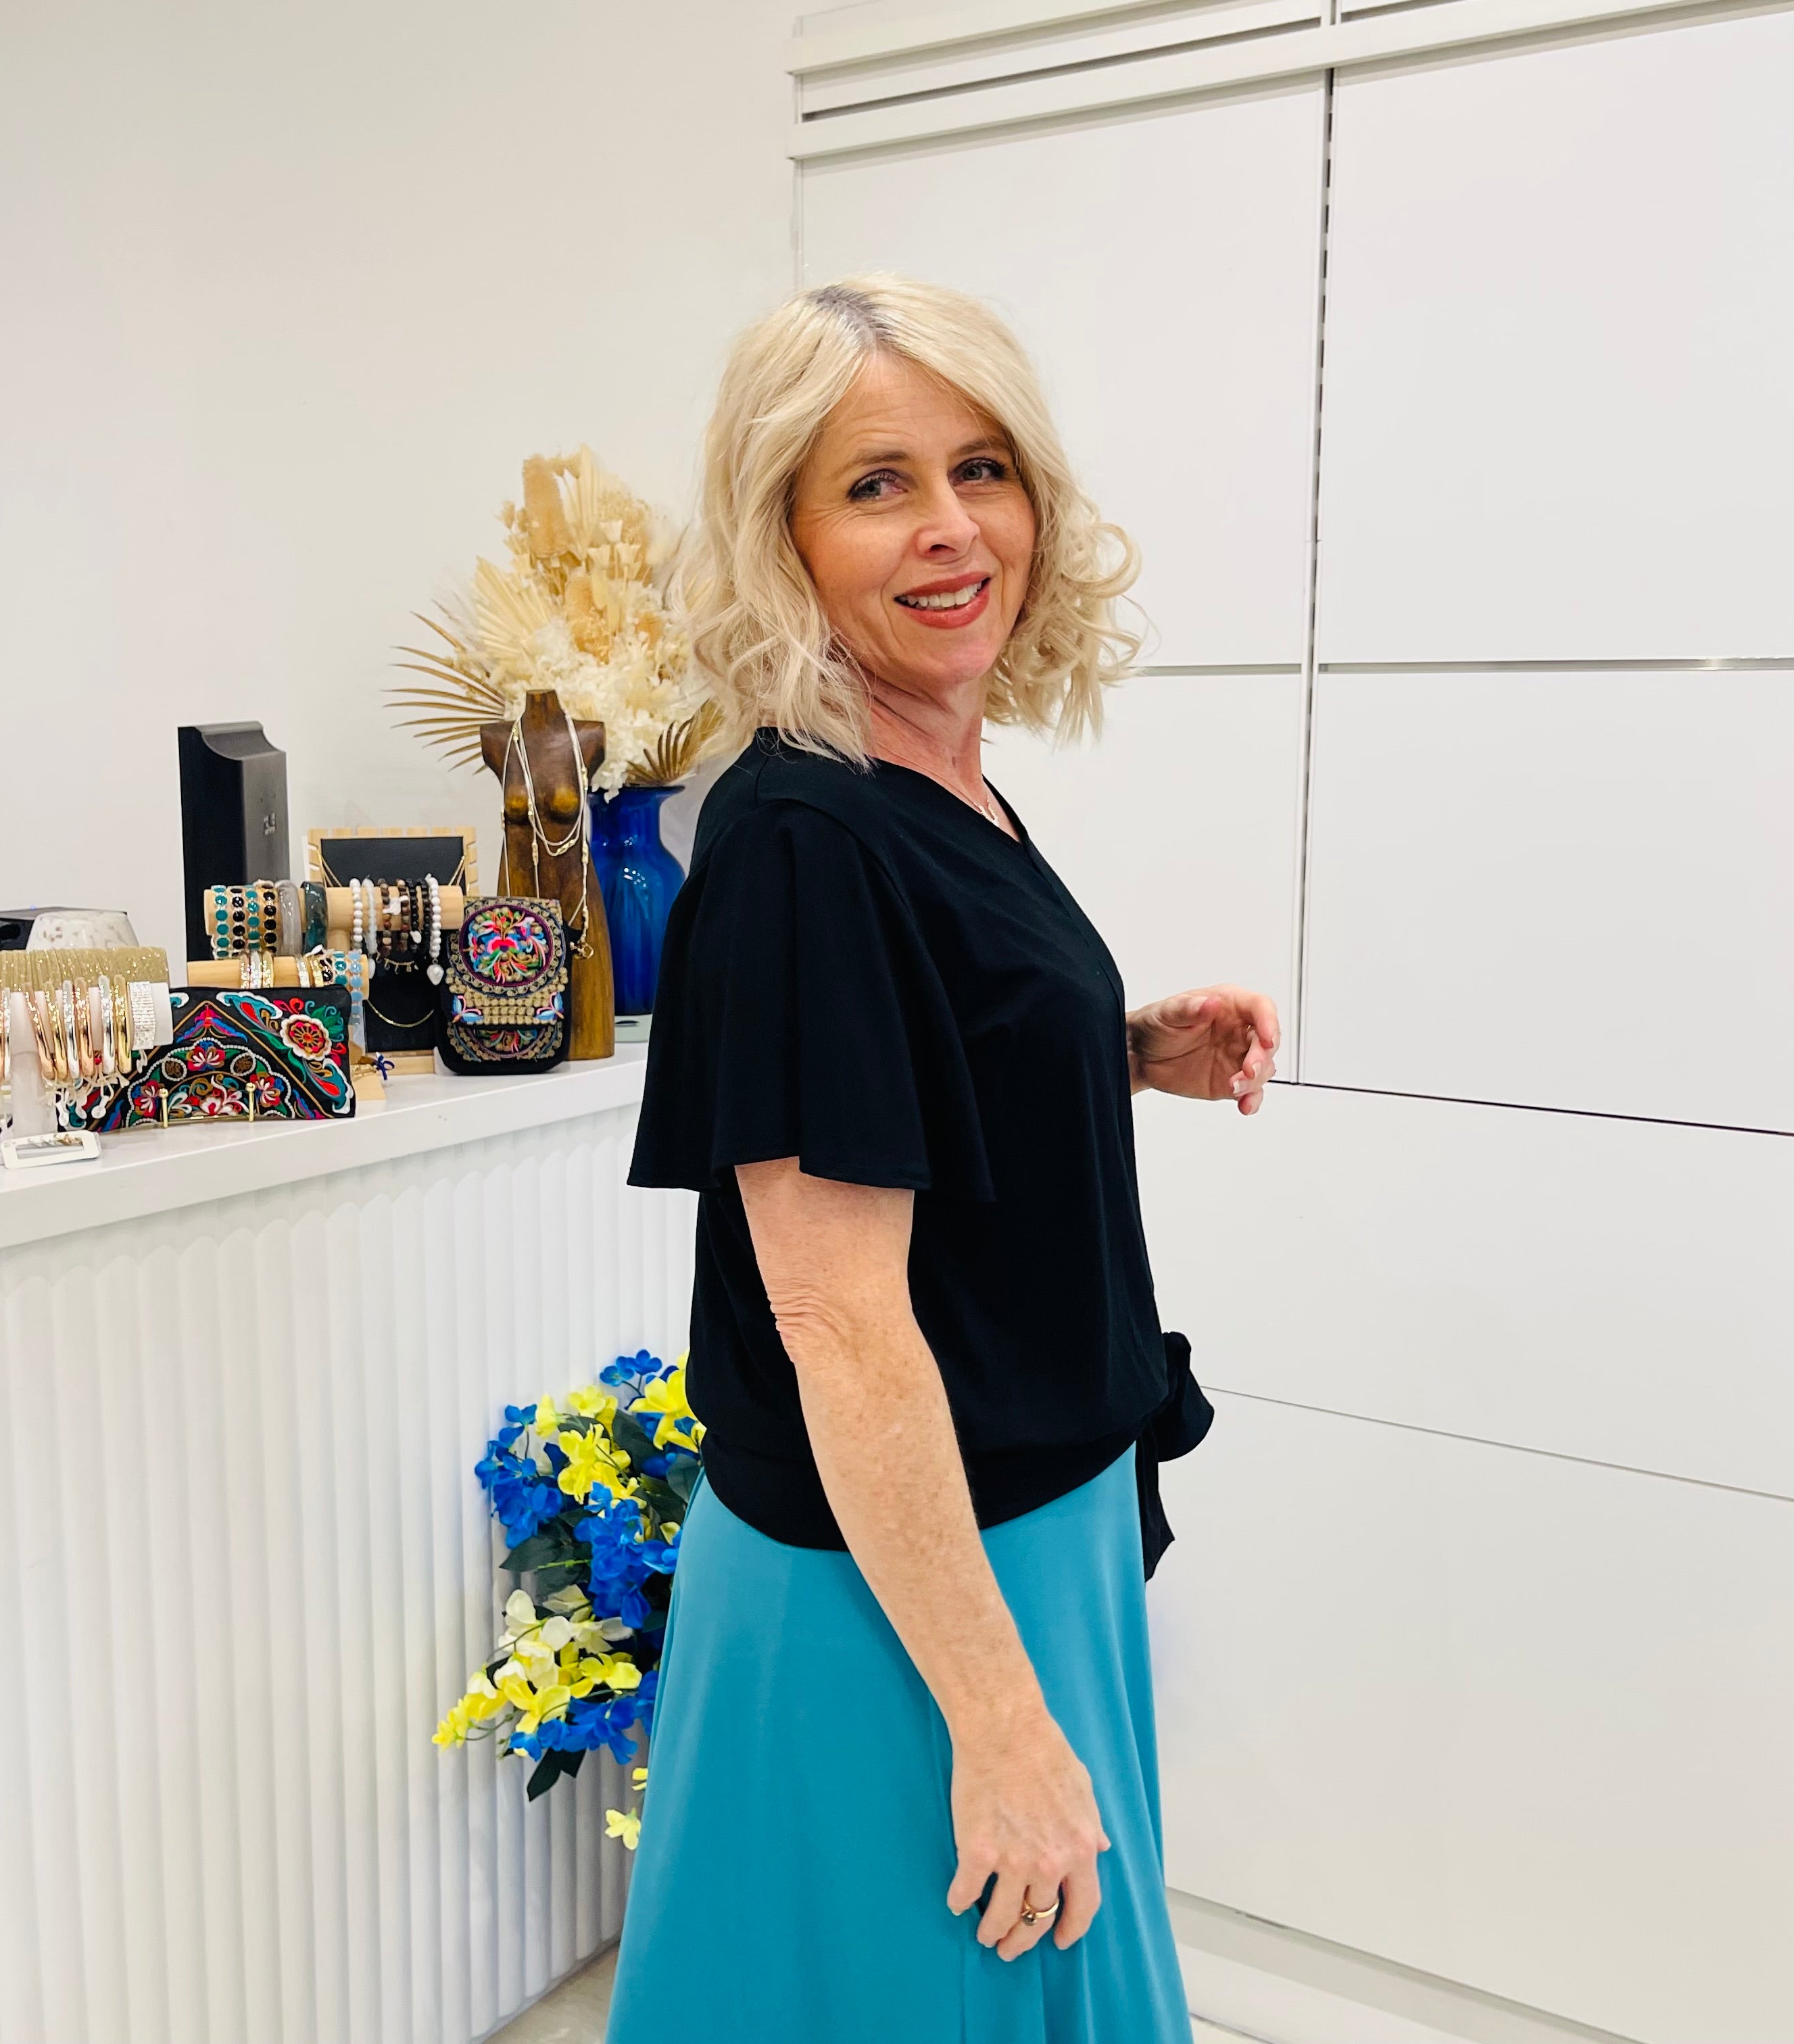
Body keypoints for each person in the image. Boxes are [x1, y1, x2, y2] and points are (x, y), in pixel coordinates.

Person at [607, 274, 1279, 2043]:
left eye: (981, 466)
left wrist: (1119, 1054)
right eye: (875, 483)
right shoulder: (808, 834)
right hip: (896, 1593)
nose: (950, 528)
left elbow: (904, 1075)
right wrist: (993, 1719)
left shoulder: (932, 779)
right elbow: (839, 1322)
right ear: (785, 540)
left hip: (1016, 1531)